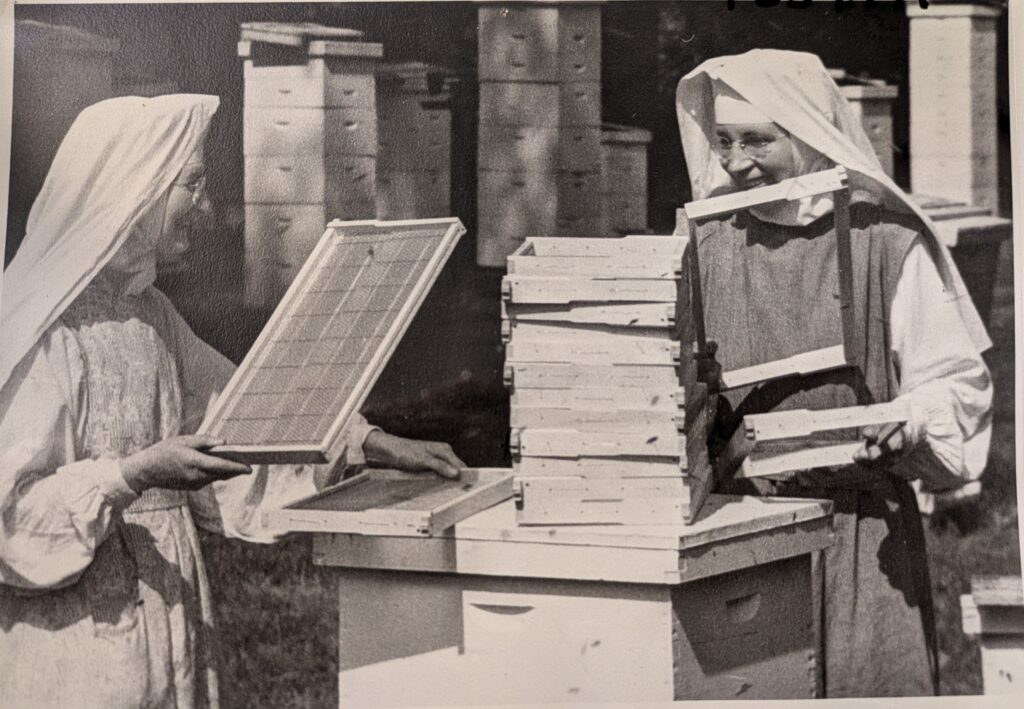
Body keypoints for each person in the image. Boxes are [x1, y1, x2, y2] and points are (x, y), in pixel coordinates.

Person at [0, 94, 465, 709]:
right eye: (191, 184)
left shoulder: (153, 317)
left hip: (168, 615)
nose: (207, 209)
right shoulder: (41, 331)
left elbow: (245, 420)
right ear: (135, 187)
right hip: (71, 645)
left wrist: (367, 443)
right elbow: (10, 518)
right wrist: (131, 475)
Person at [675, 50, 993, 697]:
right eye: (725, 140)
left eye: (758, 140)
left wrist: (910, 422)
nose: (736, 161)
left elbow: (954, 381)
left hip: (863, 535)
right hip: (740, 536)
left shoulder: (884, 241)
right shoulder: (706, 244)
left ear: (808, 131)